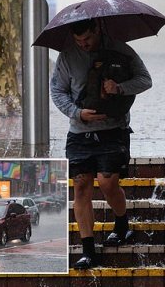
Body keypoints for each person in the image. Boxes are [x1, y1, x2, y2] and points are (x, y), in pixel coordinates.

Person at [50, 19, 152, 269]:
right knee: (81, 186)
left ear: (97, 29)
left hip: (113, 130)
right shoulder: (67, 57)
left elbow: (145, 80)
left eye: (87, 39)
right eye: (78, 42)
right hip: (79, 133)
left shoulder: (120, 49)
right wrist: (76, 113)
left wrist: (119, 87)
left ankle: (122, 223)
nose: (83, 45)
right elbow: (57, 92)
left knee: (108, 183)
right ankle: (88, 250)